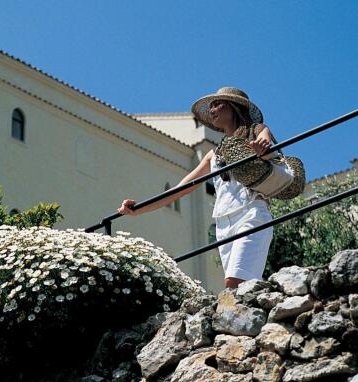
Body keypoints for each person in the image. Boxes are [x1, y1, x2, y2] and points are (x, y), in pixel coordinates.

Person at [117, 87, 276, 289]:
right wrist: (139, 208)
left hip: (251, 213)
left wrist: (263, 147)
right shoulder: (213, 155)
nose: (213, 110)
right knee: (239, 288)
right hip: (223, 224)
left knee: (234, 282)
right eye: (210, 107)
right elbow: (179, 189)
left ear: (235, 107)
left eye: (218, 104)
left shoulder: (257, 131)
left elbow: (270, 151)